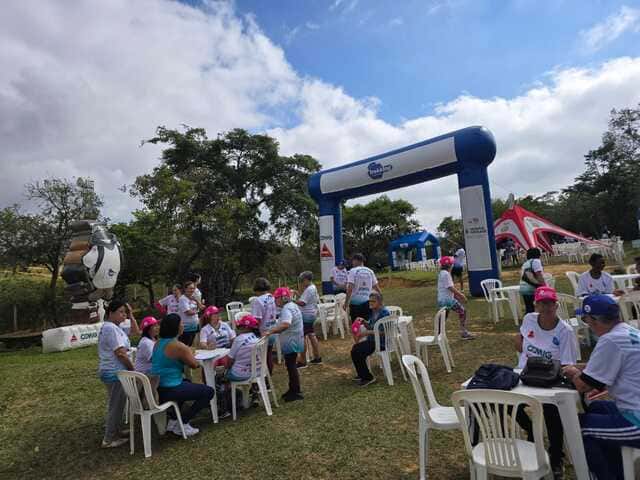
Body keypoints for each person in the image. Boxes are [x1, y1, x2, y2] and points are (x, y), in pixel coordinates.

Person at [562, 295, 640, 479]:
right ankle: (617, 472)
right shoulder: (629, 332)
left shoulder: (610, 340)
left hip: (636, 421)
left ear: (595, 319)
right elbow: (607, 364)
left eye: (586, 319)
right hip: (633, 409)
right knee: (597, 407)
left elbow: (583, 386)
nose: (587, 324)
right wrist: (580, 368)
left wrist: (573, 372)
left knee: (578, 428)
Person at [515, 286, 577, 479]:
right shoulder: (529, 319)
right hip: (525, 374)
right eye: (542, 303)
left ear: (556, 305)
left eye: (550, 303)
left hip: (550, 379)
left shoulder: (565, 331)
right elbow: (519, 340)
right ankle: (531, 431)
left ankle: (556, 457)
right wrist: (524, 354)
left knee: (551, 411)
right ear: (536, 305)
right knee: (507, 403)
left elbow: (567, 365)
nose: (546, 307)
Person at [151, 313, 214, 437]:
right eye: (181, 323)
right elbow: (194, 365)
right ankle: (183, 422)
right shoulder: (178, 346)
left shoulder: (158, 343)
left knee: (187, 384)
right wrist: (190, 354)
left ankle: (174, 420)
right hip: (170, 388)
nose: (183, 325)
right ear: (176, 327)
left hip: (157, 387)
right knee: (208, 392)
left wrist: (187, 353)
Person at [97, 299, 140, 448]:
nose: (124, 315)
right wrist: (133, 370)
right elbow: (120, 353)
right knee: (116, 405)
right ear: (111, 313)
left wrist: (131, 315)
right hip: (114, 372)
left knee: (118, 403)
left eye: (125, 312)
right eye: (121, 312)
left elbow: (135, 331)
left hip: (113, 371)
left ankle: (116, 431)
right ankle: (108, 439)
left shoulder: (116, 327)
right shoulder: (111, 329)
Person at [268, 287, 305, 402]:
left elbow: (286, 324)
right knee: (291, 365)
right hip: (296, 338)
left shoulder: (286, 309)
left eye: (276, 298)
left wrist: (271, 331)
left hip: (291, 340)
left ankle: (295, 391)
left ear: (282, 298)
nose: (275, 301)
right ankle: (292, 389)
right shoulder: (292, 305)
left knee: (291, 365)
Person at [350, 292, 390, 387]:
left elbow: (383, 332)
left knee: (357, 351)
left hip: (380, 342)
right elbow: (371, 327)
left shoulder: (384, 313)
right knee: (355, 349)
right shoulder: (373, 312)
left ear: (380, 302)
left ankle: (367, 377)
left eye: (373, 301)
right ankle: (363, 374)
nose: (370, 303)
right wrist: (364, 322)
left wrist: (366, 333)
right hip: (372, 340)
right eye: (370, 301)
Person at [438, 256, 473, 339]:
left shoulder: (442, 273)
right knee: (462, 311)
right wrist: (461, 295)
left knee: (443, 317)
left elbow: (447, 289)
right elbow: (450, 287)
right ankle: (464, 332)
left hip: (442, 299)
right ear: (449, 265)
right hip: (447, 300)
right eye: (452, 264)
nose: (453, 265)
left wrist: (456, 297)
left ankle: (439, 334)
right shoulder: (446, 274)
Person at [251, 277, 277, 374]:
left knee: (261, 357)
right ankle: (269, 375)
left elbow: (256, 320)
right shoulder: (271, 297)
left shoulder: (258, 301)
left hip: (263, 332)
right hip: (273, 329)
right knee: (268, 354)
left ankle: (264, 376)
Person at [295, 271, 322, 368]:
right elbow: (304, 299)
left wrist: (291, 301)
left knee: (302, 337)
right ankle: (317, 357)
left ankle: (302, 361)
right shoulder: (312, 287)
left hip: (306, 315)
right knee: (311, 334)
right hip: (311, 314)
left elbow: (303, 303)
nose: (301, 283)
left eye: (302, 280)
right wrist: (297, 294)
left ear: (306, 279)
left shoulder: (309, 289)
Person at [346, 253, 381, 325]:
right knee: (367, 324)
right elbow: (377, 288)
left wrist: (346, 303)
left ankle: (357, 332)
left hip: (355, 304)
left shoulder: (353, 271)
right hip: (368, 302)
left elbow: (350, 288)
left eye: (352, 261)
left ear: (356, 260)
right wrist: (380, 301)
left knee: (356, 326)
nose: (352, 263)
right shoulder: (370, 271)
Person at [226, 314, 261, 382]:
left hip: (242, 374)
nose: (237, 328)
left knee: (225, 373)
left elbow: (230, 360)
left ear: (246, 328)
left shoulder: (239, 339)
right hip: (258, 371)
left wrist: (226, 367)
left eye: (239, 326)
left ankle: (225, 387)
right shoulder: (258, 337)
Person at [519, 247, 546, 313]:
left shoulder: (526, 263)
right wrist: (544, 287)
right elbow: (539, 275)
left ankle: (528, 319)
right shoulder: (536, 261)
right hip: (532, 289)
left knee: (529, 309)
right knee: (537, 309)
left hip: (524, 289)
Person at [178, 281, 200, 347]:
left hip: (194, 326)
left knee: (193, 346)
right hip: (186, 328)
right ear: (185, 289)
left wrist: (197, 301)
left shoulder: (193, 298)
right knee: (185, 346)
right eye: (190, 288)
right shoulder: (182, 299)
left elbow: (200, 307)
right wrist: (197, 311)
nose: (192, 290)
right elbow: (188, 312)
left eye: (193, 288)